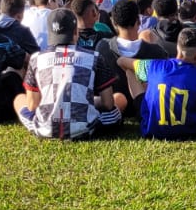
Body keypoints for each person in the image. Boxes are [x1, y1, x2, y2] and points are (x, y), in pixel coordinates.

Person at [14, 10, 124, 140]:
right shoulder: (94, 57)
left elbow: (33, 105)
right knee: (119, 98)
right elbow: (108, 104)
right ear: (76, 32)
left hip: (46, 129)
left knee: (19, 99)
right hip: (86, 128)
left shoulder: (35, 58)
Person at [126, 27, 196, 140]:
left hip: (152, 131)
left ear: (178, 47)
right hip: (189, 133)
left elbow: (121, 61)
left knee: (130, 71)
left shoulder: (154, 66)